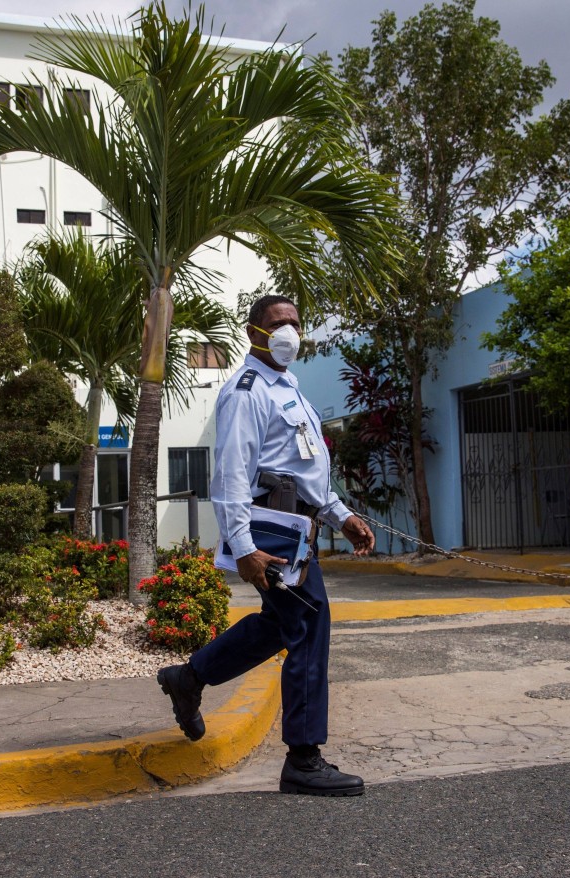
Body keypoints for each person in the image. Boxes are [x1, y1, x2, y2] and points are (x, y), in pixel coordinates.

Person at [156, 294, 375, 796]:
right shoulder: (246, 391)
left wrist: (341, 516)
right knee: (309, 624)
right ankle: (303, 757)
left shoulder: (291, 387)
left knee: (282, 625)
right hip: (270, 533)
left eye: (295, 323)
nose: (289, 333)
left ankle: (189, 678)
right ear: (254, 332)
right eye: (278, 323)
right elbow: (230, 478)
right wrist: (243, 546)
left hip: (298, 527)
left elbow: (303, 467)